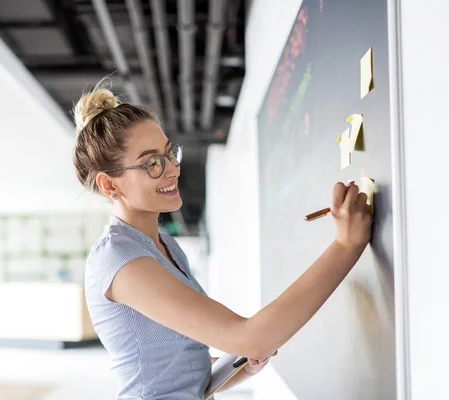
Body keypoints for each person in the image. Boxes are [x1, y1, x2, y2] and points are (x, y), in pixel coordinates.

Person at [73, 81, 372, 399]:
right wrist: (346, 245)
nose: (173, 169)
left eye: (169, 153)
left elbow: (179, 375)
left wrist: (240, 364)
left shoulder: (165, 245)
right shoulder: (119, 259)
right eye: (152, 163)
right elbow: (248, 337)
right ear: (108, 185)